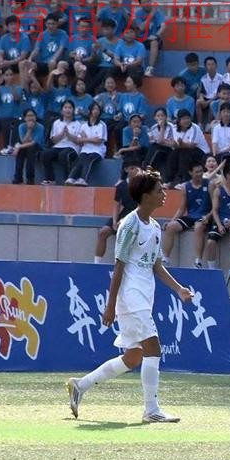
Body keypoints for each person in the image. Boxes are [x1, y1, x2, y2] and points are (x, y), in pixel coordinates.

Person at [67, 168, 193, 423]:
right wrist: (110, 304)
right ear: (145, 196)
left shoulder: (155, 227)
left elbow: (157, 265)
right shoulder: (129, 225)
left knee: (133, 357)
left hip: (144, 297)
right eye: (159, 190)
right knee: (153, 347)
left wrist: (178, 288)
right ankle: (151, 410)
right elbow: (119, 266)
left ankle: (80, 385)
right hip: (131, 297)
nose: (164, 194)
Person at [161, 162, 212, 268]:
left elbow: (215, 206)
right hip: (191, 216)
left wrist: (208, 216)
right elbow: (182, 208)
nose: (200, 174)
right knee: (170, 227)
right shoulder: (185, 187)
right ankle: (165, 259)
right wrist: (171, 221)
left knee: (198, 227)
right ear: (190, 173)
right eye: (197, 172)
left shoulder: (210, 184)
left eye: (201, 171)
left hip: (205, 216)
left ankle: (198, 261)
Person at [95, 160, 140, 264]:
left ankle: (122, 264)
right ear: (126, 170)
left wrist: (124, 220)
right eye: (132, 168)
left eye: (137, 169)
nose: (135, 171)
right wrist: (115, 221)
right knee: (103, 232)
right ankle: (96, 263)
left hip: (137, 215)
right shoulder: (121, 186)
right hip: (124, 212)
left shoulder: (143, 186)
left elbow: (142, 206)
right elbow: (116, 205)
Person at [206, 162, 230, 269]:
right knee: (210, 242)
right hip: (221, 220)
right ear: (228, 175)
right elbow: (214, 211)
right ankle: (211, 269)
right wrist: (219, 225)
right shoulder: (218, 191)